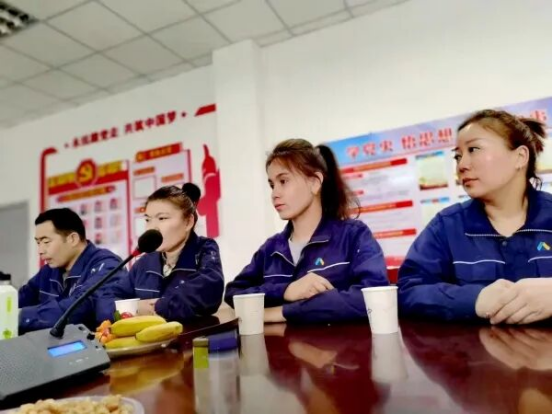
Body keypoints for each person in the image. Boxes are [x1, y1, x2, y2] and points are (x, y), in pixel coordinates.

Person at [398, 109, 552, 324]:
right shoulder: (447, 226)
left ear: (520, 157)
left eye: (474, 149)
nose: (462, 165)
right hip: (479, 346)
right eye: (458, 156)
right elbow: (408, 291)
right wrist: (474, 299)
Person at [224, 138, 388, 323]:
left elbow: (375, 297)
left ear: (315, 183)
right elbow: (233, 293)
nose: (274, 193)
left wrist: (282, 312)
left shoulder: (354, 235)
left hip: (343, 342)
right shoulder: (270, 249)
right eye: (272, 185)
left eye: (283, 181)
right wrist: (286, 290)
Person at [96, 183, 224, 322]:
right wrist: (135, 308)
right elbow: (104, 303)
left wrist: (156, 307)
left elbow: (208, 290)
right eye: (148, 220)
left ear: (188, 222)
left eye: (162, 218)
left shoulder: (203, 249)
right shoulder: (144, 263)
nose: (152, 227)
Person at [19, 208, 126, 333]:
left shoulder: (107, 264)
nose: (40, 251)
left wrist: (19, 316)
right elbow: (21, 298)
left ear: (73, 239)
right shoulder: (48, 271)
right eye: (38, 243)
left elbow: (80, 307)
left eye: (46, 242)